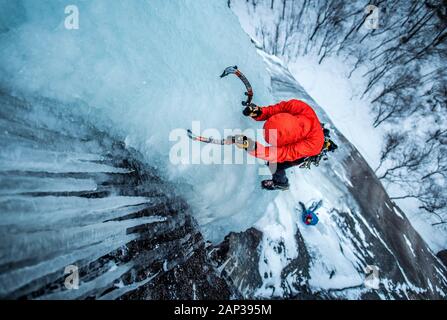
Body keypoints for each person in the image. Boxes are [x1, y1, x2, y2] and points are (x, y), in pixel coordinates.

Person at [233, 99, 325, 190]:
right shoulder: (298, 106)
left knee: (274, 164)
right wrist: (260, 112)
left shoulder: (311, 145)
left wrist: (252, 147)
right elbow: (276, 109)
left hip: (309, 151)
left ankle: (281, 183)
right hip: (310, 129)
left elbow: (282, 154)